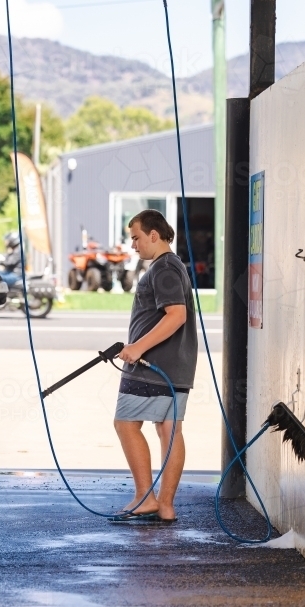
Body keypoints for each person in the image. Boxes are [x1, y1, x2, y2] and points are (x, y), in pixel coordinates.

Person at [111, 209, 197, 524]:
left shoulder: (163, 269)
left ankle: (145, 498)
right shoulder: (174, 267)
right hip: (177, 368)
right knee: (169, 430)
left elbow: (177, 315)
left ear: (153, 235)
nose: (133, 245)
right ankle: (165, 506)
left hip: (153, 367)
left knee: (126, 424)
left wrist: (137, 348)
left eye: (135, 237)